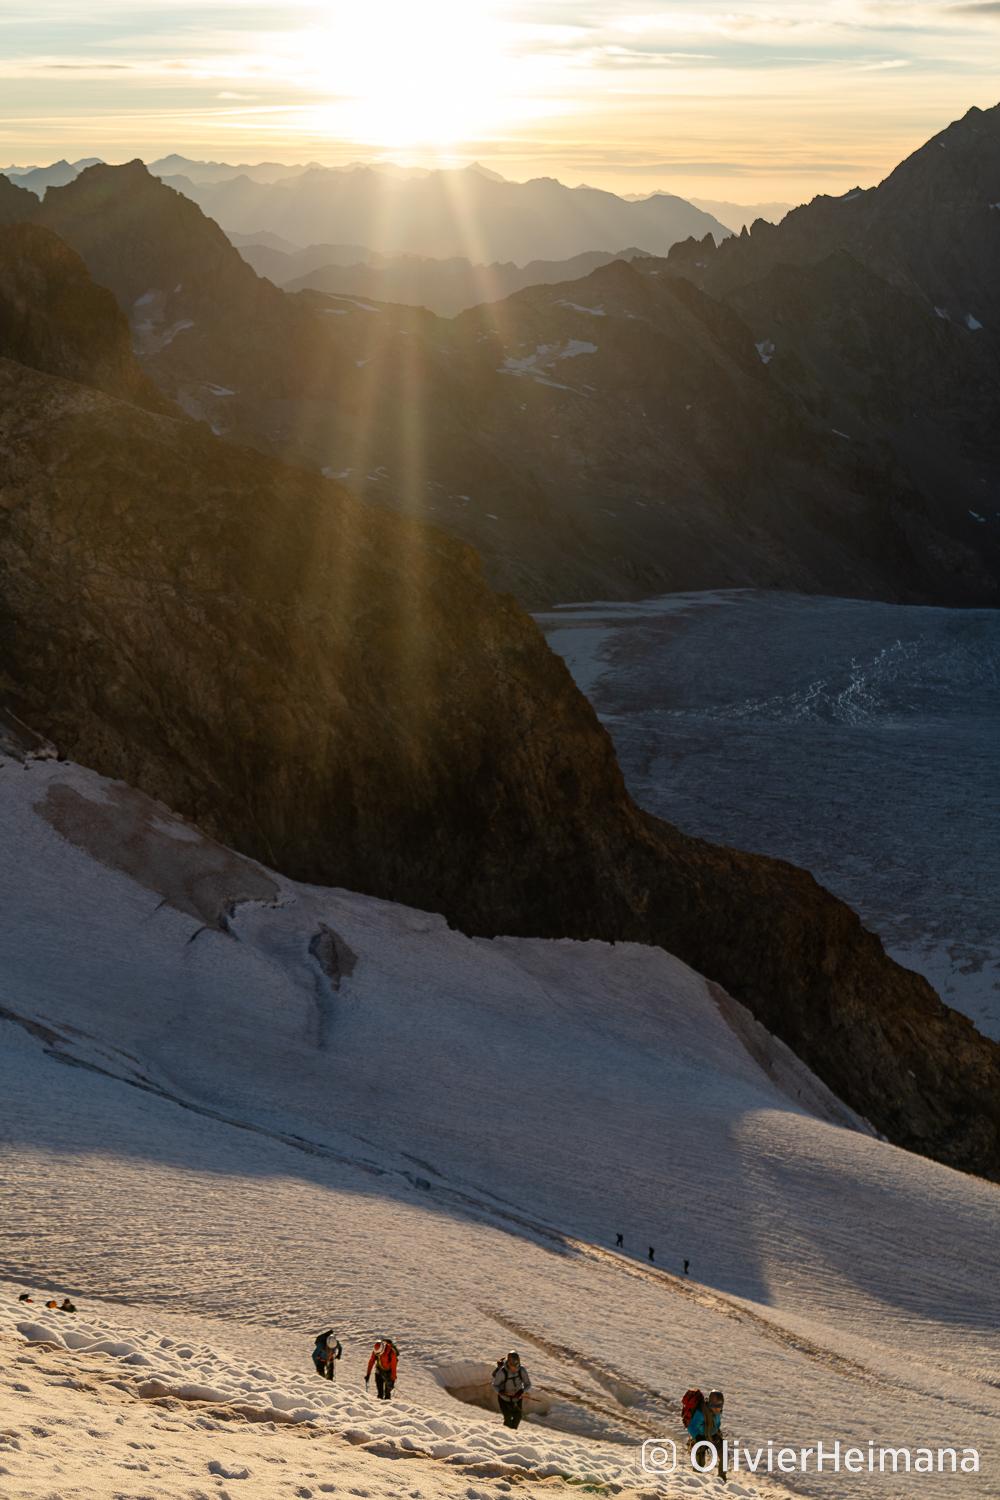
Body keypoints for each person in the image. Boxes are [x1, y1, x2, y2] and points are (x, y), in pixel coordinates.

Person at [687, 1389, 726, 1482]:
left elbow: (717, 1423)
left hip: (713, 1435)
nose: (718, 1409)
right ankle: (696, 1478)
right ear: (711, 1404)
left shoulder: (717, 1412)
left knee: (724, 1452)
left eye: (720, 1406)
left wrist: (717, 1432)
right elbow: (691, 1426)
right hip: (701, 1437)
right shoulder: (701, 1413)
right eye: (716, 1406)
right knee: (700, 1459)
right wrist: (697, 1437)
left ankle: (722, 1478)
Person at [492, 1350, 531, 1429]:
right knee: (508, 1418)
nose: (514, 1368)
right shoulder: (502, 1372)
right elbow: (495, 1385)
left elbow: (528, 1384)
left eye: (516, 1366)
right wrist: (500, 1392)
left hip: (517, 1399)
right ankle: (506, 1433)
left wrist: (522, 1391)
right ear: (508, 1363)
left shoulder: (522, 1370)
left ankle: (512, 1433)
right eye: (513, 1366)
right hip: (504, 1399)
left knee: (518, 1417)